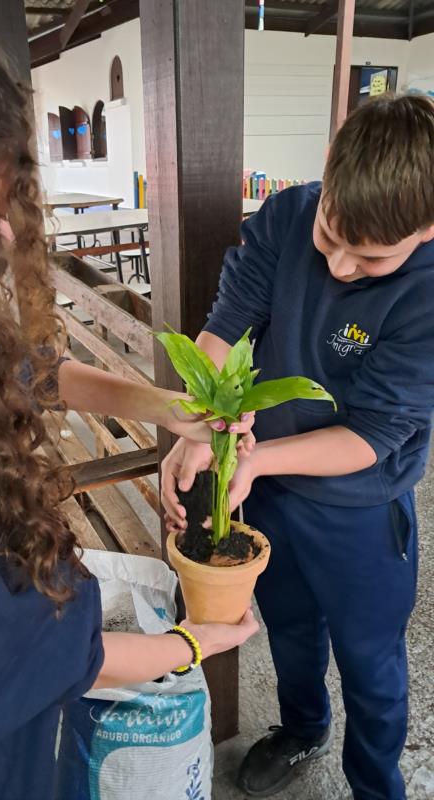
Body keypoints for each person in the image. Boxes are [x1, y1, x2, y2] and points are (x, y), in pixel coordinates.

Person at [0, 2, 259, 799]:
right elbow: (64, 656)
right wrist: (198, 641)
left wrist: (163, 408)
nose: (1, 240)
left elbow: (26, 368)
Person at [161, 93, 434, 800]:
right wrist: (200, 423)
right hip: (271, 490)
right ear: (326, 175)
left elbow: (373, 436)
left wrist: (254, 460)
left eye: (370, 258)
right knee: (287, 625)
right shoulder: (286, 215)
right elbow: (224, 329)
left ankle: (376, 784)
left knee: (371, 662)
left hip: (359, 508)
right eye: (330, 235)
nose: (340, 266)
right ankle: (302, 727)